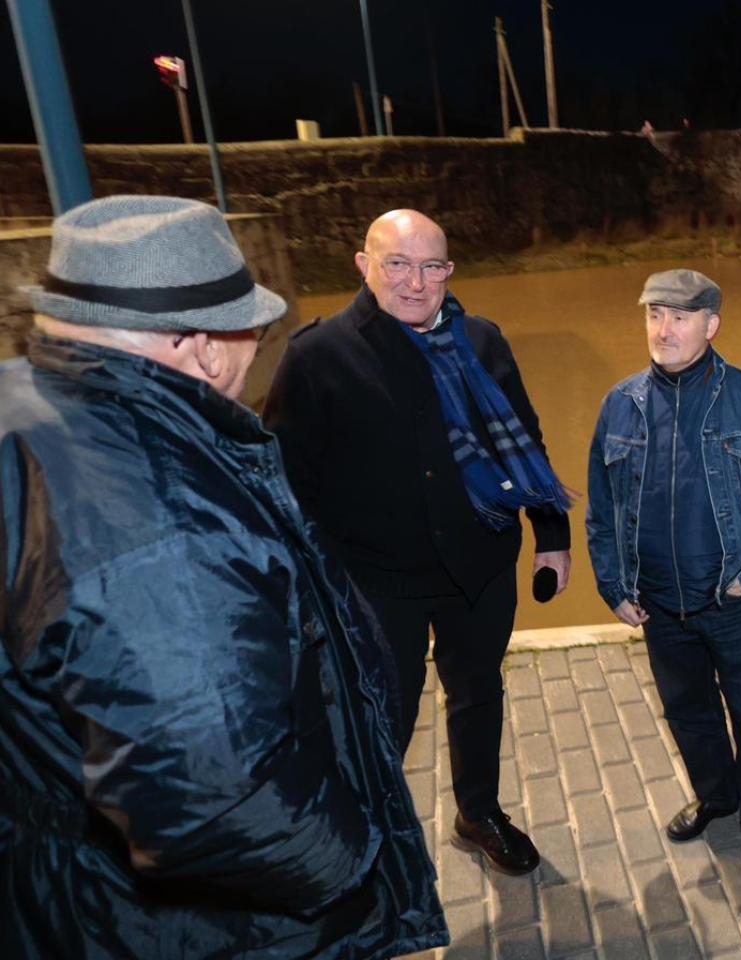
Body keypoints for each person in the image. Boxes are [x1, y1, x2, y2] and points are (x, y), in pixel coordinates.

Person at [0, 195, 446, 958]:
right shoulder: (165, 518)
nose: (253, 352)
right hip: (202, 929)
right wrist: (354, 868)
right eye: (251, 330)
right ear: (202, 346)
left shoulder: (21, 408)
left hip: (63, 882)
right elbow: (215, 800)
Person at [264, 209, 572, 876]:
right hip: (377, 582)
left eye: (431, 265)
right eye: (397, 263)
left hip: (480, 564)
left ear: (450, 271)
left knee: (477, 692)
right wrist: (311, 587)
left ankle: (478, 810)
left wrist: (552, 534)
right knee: (380, 717)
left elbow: (525, 441)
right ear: (362, 265)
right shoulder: (316, 357)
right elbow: (288, 487)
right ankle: (365, 839)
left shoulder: (484, 341)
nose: (415, 281)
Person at [585, 268, 741, 921]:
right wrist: (614, 586)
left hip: (733, 600)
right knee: (690, 717)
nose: (664, 329)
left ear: (711, 324)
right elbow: (602, 508)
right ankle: (717, 797)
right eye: (655, 315)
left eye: (680, 317)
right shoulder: (620, 404)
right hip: (658, 606)